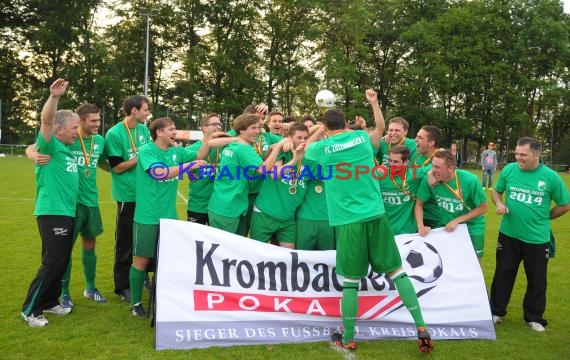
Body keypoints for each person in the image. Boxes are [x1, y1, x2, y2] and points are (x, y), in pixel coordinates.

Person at [305, 109, 432, 352]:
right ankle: (421, 327)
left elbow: (304, 149)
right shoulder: (361, 138)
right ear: (345, 123)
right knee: (397, 272)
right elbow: (380, 128)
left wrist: (319, 130)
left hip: (348, 220)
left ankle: (349, 337)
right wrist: (373, 103)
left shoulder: (322, 148)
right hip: (376, 214)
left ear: (326, 126)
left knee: (351, 281)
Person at [26, 103, 109, 309]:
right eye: (93, 120)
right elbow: (37, 144)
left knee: (90, 243)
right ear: (80, 122)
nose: (98, 124)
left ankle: (90, 288)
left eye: (99, 120)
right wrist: (32, 153)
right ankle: (63, 294)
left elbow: (108, 162)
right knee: (63, 252)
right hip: (67, 204)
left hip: (91, 201)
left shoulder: (99, 141)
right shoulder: (65, 140)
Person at [130, 117, 215, 316]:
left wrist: (209, 139)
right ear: (159, 132)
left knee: (166, 260)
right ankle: (135, 303)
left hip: (170, 217)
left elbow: (199, 153)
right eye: (171, 129)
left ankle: (162, 298)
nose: (175, 132)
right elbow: (159, 173)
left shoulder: (177, 151)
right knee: (141, 260)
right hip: (147, 217)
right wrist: (188, 167)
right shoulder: (147, 151)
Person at [490, 137, 569, 332]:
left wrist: (545, 218)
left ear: (536, 155)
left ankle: (534, 317)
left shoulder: (551, 177)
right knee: (503, 274)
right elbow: (496, 192)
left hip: (537, 238)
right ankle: (496, 311)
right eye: (517, 153)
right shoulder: (509, 170)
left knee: (537, 279)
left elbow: (565, 204)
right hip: (508, 234)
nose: (518, 158)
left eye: (523, 154)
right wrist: (499, 203)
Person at [21, 78, 79, 327]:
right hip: (52, 211)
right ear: (59, 130)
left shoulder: (68, 147)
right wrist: (54, 97)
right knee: (53, 261)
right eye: (74, 127)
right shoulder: (51, 144)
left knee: (61, 260)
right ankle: (31, 309)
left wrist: (28, 150)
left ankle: (51, 301)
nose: (78, 131)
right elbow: (46, 121)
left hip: (67, 212)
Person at [208, 113, 289, 234]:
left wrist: (271, 149)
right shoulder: (243, 148)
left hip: (219, 205)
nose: (258, 131)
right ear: (241, 130)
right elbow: (263, 169)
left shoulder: (233, 144)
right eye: (253, 128)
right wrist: (277, 148)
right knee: (226, 249)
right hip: (229, 209)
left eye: (258, 128)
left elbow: (211, 143)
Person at [104, 95, 151, 302]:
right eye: (145, 109)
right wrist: (140, 158)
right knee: (124, 241)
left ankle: (141, 277)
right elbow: (118, 167)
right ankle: (122, 286)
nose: (148, 113)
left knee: (144, 238)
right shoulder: (114, 133)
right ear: (134, 110)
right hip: (127, 195)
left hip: (145, 194)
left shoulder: (143, 130)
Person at [415, 148, 487, 259]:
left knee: (474, 263)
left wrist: (457, 220)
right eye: (432, 165)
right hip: (446, 226)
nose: (433, 170)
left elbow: (483, 208)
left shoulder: (470, 180)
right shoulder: (430, 179)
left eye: (437, 167)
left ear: (451, 168)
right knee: (447, 261)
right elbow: (419, 204)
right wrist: (420, 226)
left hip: (472, 226)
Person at [250, 122, 307, 248]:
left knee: (289, 258)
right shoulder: (282, 151)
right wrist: (294, 160)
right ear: (290, 138)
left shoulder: (309, 156)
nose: (302, 141)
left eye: (305, 138)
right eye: (299, 137)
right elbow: (275, 174)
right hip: (264, 214)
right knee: (257, 255)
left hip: (288, 218)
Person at [186, 113, 223, 225]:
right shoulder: (193, 149)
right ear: (204, 128)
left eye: (219, 124)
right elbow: (190, 174)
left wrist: (213, 168)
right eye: (214, 124)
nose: (218, 126)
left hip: (219, 205)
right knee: (193, 240)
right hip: (198, 205)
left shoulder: (224, 147)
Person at [378, 145, 423, 235]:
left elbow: (436, 169)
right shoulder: (379, 175)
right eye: (389, 160)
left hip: (408, 232)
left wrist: (431, 176)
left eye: (396, 161)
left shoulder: (415, 174)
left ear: (406, 162)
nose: (391, 164)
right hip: (384, 231)